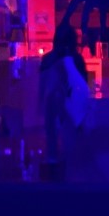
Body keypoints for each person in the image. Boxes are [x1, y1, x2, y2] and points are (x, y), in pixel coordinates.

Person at [38, 22, 89, 180]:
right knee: (71, 145)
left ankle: (53, 177)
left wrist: (40, 106)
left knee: (52, 143)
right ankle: (70, 177)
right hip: (70, 107)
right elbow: (83, 86)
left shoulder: (48, 59)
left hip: (52, 105)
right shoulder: (77, 59)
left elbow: (42, 86)